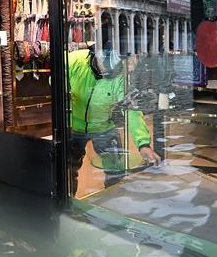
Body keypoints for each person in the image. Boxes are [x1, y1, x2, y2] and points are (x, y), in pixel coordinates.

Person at [67, 43, 160, 196]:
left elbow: (130, 110)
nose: (107, 74)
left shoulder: (120, 77)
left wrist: (143, 143)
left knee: (116, 171)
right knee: (67, 170)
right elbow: (55, 80)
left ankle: (113, 200)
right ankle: (68, 201)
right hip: (73, 125)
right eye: (104, 68)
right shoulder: (74, 60)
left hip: (104, 125)